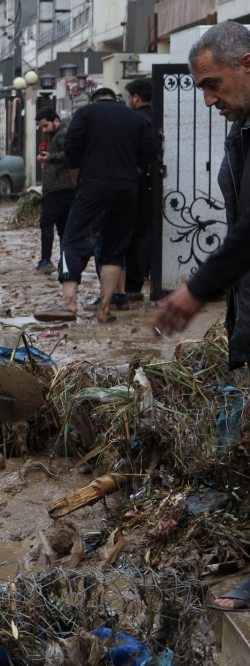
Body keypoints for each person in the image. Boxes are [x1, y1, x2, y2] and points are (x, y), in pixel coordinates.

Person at [158, 21, 250, 612]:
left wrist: (194, 290)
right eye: (202, 91)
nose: (209, 101)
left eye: (214, 85)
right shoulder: (240, 129)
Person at [33, 88, 156, 324]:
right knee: (114, 249)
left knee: (72, 238)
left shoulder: (86, 113)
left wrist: (76, 176)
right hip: (127, 190)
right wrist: (132, 173)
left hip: (92, 187)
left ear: (94, 100)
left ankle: (69, 302)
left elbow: (72, 145)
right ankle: (104, 309)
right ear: (116, 99)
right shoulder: (135, 117)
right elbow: (151, 151)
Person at [123, 77, 154, 300]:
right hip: (165, 185)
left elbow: (146, 150)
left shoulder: (134, 120)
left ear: (135, 97)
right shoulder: (161, 117)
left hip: (138, 187)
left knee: (135, 234)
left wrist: (138, 169)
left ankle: (136, 282)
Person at [34, 108, 75, 274]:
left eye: (46, 126)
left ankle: (46, 261)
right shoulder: (56, 136)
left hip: (60, 188)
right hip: (62, 187)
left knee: (46, 221)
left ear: (56, 121)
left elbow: (71, 154)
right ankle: (65, 264)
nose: (44, 130)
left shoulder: (63, 134)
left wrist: (51, 158)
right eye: (42, 127)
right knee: (63, 228)